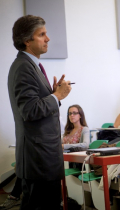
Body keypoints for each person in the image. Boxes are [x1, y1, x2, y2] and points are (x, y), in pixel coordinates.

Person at [8, 15, 72, 210]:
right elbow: (30, 110)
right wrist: (57, 96)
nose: (48, 39)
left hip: (42, 158)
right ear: (27, 41)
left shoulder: (30, 66)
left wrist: (52, 94)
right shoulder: (24, 68)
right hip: (39, 159)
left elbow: (37, 105)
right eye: (41, 34)